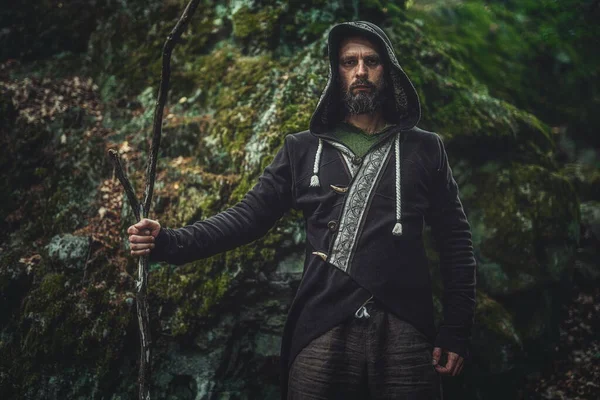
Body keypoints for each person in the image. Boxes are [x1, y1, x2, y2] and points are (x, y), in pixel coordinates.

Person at [127, 21, 476, 400]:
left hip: (406, 325)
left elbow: (456, 241)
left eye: (371, 61)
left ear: (388, 70)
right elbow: (248, 218)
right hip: (322, 323)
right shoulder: (301, 149)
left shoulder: (425, 148)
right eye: (349, 62)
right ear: (336, 72)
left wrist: (456, 328)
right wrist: (169, 242)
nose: (360, 71)